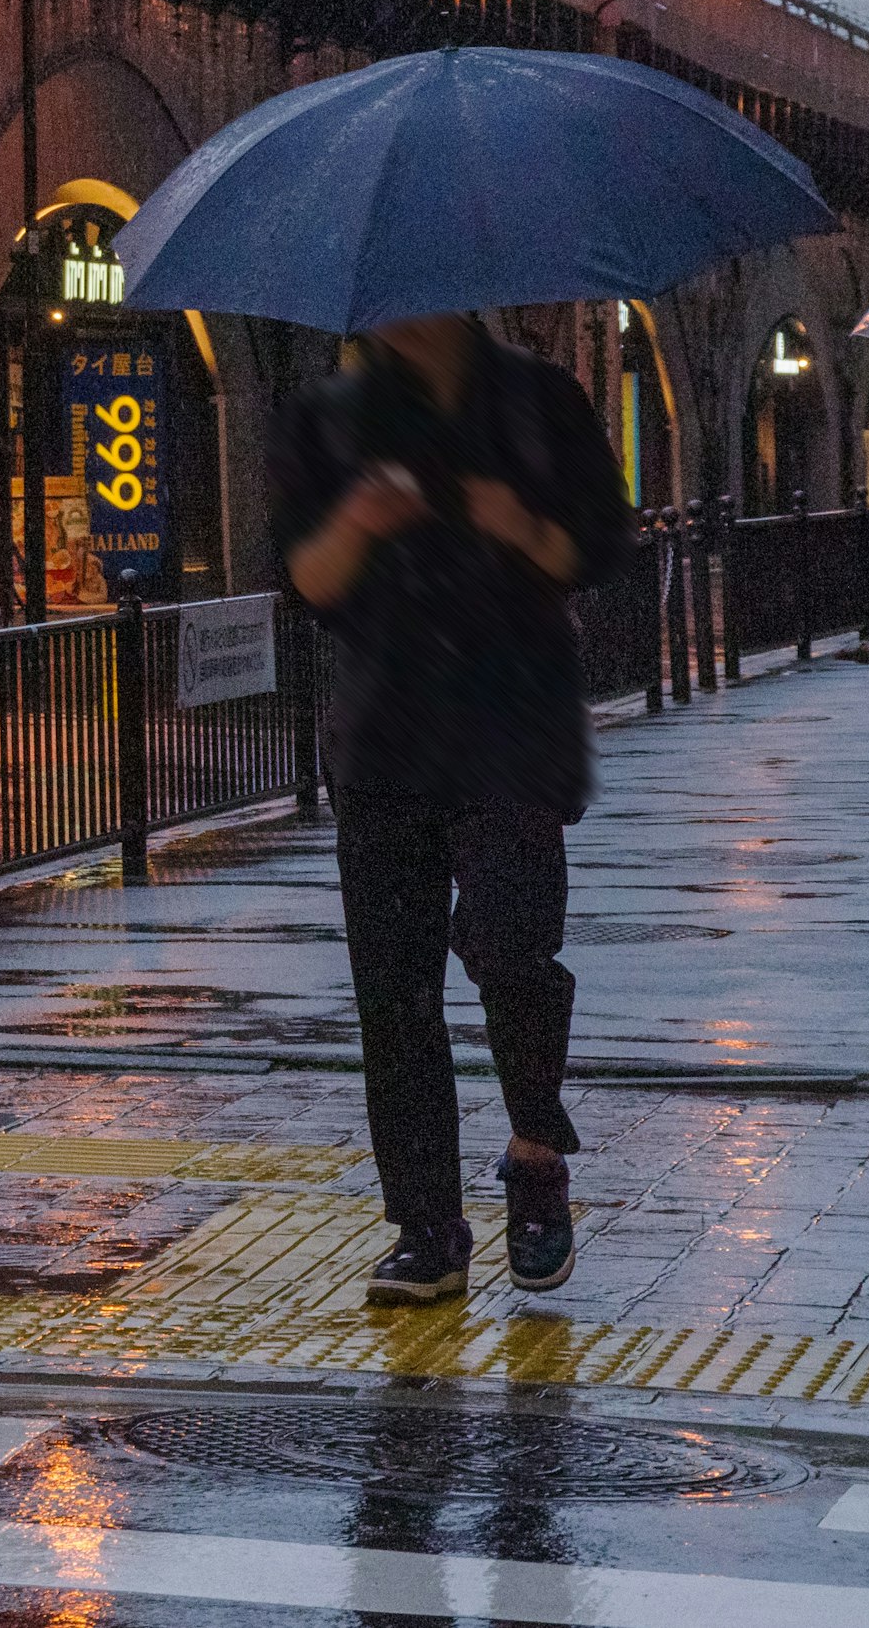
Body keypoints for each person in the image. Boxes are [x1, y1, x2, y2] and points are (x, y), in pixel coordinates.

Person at [274, 314, 639, 1305]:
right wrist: (357, 522)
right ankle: (425, 1223)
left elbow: (606, 542)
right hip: (383, 732)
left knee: (514, 945)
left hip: (509, 725)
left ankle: (534, 1155)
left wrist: (519, 524)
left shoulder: (538, 399)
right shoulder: (333, 415)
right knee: (394, 993)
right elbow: (303, 579)